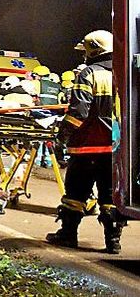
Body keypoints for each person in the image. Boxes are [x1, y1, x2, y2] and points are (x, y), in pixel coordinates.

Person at [46, 30, 125, 253]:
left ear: (93, 50)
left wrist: (62, 137)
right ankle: (113, 241)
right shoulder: (123, 73)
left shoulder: (88, 74)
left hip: (86, 147)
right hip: (116, 149)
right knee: (110, 195)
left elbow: (78, 113)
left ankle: (68, 235)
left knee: (75, 194)